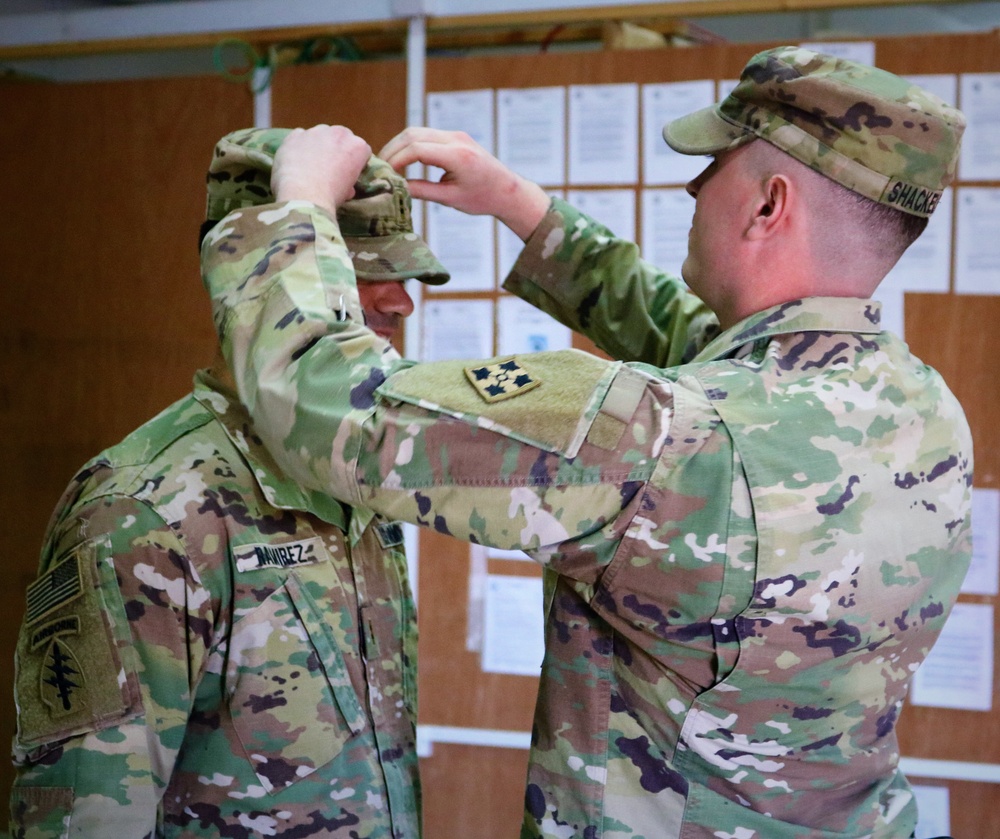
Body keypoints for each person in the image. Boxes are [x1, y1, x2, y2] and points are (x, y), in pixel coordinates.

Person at [199, 47, 973, 839]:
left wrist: (297, 206)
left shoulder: (658, 439)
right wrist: (520, 207)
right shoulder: (917, 409)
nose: (694, 186)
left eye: (714, 164)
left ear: (768, 205)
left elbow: (326, 403)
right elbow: (713, 352)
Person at [9, 128, 450, 839]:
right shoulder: (145, 508)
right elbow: (85, 817)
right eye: (359, 266)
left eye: (402, 274)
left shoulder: (352, 472)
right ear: (251, 270)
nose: (401, 302)